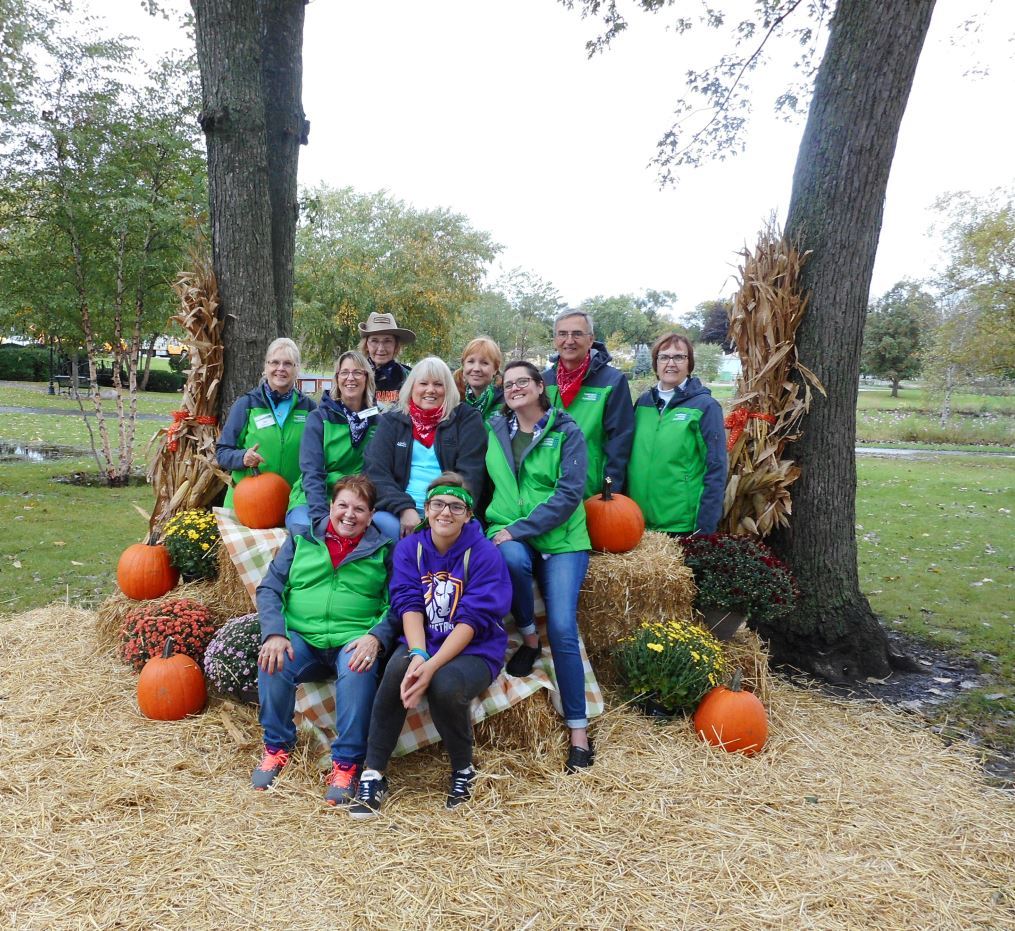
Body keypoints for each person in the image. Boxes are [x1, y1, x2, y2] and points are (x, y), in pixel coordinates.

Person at [348, 473, 511, 818]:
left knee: (445, 685)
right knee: (396, 669)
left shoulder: (484, 554)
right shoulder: (410, 548)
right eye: (438, 504)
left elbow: (472, 620)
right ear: (426, 509)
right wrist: (420, 655)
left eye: (456, 506)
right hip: (424, 638)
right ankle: (373, 772)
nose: (445, 513)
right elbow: (407, 604)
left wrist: (431, 667)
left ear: (468, 514)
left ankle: (463, 769)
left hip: (474, 648)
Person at [252, 474, 394, 806]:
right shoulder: (302, 538)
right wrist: (274, 632)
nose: (349, 514)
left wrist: (376, 636)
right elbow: (270, 588)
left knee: (358, 669)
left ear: (371, 516)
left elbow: (399, 603)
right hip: (302, 637)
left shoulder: (385, 550)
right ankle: (277, 747)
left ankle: (346, 765)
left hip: (352, 639)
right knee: (274, 661)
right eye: (342, 505)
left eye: (359, 509)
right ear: (330, 506)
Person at [484, 361, 595, 772]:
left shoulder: (565, 431)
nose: (514, 388)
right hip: (510, 532)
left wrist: (521, 528)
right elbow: (481, 484)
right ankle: (529, 638)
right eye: (508, 384)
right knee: (508, 559)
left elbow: (569, 495)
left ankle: (579, 732)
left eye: (522, 382)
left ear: (539, 386)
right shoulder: (495, 430)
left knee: (564, 627)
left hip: (562, 538)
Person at [364, 357, 488, 541]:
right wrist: (404, 508)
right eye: (423, 383)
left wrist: (441, 511)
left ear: (448, 389)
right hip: (399, 512)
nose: (430, 390)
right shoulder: (392, 421)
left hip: (451, 510)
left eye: (438, 384)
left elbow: (471, 474)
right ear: (412, 387)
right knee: (382, 523)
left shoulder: (466, 420)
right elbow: (376, 473)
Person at [628, 334, 728, 535]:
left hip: (680, 526)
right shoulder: (643, 403)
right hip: (635, 522)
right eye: (664, 357)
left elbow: (716, 468)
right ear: (656, 364)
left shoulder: (705, 407)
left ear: (689, 363)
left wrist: (704, 529)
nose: (671, 363)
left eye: (679, 357)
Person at [542, 309, 635, 498]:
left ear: (591, 339)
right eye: (562, 334)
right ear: (555, 340)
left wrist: (610, 492)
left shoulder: (612, 382)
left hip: (590, 492)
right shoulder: (542, 381)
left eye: (577, 334)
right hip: (544, 491)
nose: (569, 340)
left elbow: (620, 443)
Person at [216, 338, 316, 508]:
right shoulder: (246, 405)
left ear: (297, 369)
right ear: (265, 367)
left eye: (288, 364)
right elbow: (222, 452)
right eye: (274, 362)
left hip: (294, 503)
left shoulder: (309, 408)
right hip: (249, 505)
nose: (280, 369)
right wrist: (242, 457)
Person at [287, 350, 380, 533]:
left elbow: (376, 473)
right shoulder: (319, 419)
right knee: (307, 533)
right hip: (314, 499)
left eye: (357, 372)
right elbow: (312, 471)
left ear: (367, 378)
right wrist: (321, 516)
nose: (350, 378)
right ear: (337, 378)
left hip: (356, 503)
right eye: (344, 373)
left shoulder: (378, 423)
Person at [358, 311, 415, 410]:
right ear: (366, 345)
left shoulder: (409, 377)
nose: (381, 348)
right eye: (374, 341)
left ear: (396, 346)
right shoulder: (353, 375)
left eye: (387, 341)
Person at [453, 336, 504, 422]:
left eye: (484, 363)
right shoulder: (454, 401)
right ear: (463, 365)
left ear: (495, 369)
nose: (476, 369)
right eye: (471, 362)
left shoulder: (506, 403)